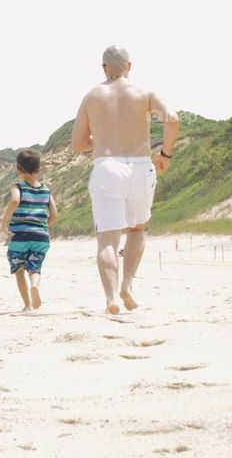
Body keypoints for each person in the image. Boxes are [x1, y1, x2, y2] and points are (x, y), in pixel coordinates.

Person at [71, 45, 180, 314]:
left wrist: (104, 139)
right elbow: (173, 119)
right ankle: (127, 285)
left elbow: (78, 144)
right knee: (137, 229)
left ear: (103, 67)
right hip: (142, 167)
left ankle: (111, 299)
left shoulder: (92, 96)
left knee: (107, 240)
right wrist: (165, 153)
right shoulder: (145, 93)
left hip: (107, 167)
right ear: (129, 66)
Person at [0, 149, 58, 312]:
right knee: (35, 267)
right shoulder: (46, 190)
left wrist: (4, 224)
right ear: (39, 169)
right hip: (41, 237)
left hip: (20, 237)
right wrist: (43, 225)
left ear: (18, 169)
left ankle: (27, 305)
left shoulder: (18, 187)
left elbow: (14, 201)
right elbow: (54, 215)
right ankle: (35, 286)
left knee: (18, 270)